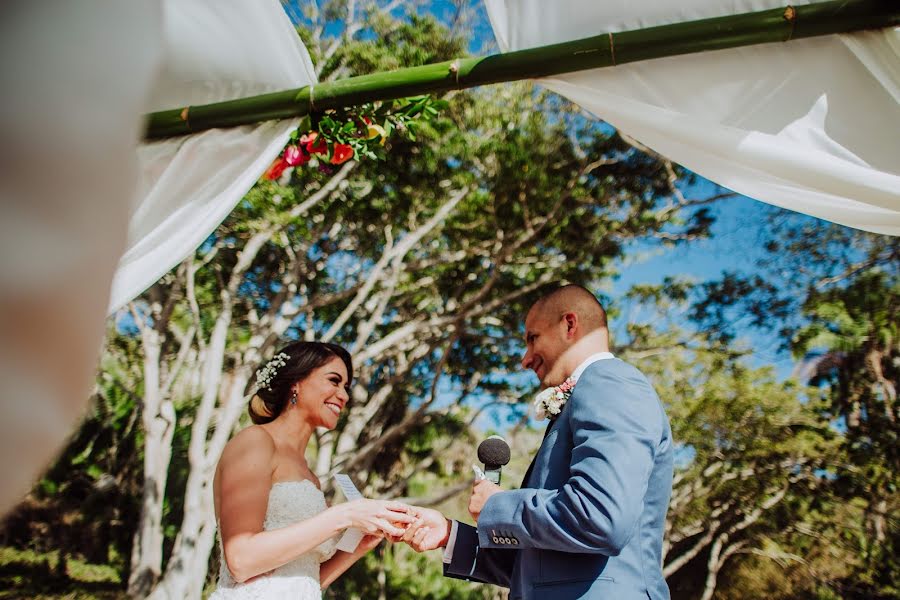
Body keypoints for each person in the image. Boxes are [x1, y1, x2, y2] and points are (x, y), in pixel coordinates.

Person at [402, 284, 674, 599]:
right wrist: (449, 535)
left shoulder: (610, 382)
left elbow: (600, 517)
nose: (525, 359)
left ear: (570, 325)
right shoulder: (583, 398)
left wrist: (496, 505)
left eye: (533, 338)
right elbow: (537, 568)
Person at [210, 341, 415, 599]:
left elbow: (305, 579)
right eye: (334, 380)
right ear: (296, 382)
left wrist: (361, 544)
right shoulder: (255, 441)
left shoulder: (310, 476)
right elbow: (241, 560)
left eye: (346, 387)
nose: (344, 395)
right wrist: (346, 514)